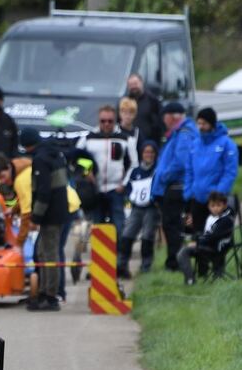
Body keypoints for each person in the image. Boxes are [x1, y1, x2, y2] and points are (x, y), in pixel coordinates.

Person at [23, 126, 69, 311]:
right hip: (59, 211)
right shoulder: (54, 154)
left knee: (49, 255)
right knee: (43, 253)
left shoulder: (40, 160)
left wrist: (36, 217)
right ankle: (43, 292)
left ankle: (50, 297)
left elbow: (43, 192)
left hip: (50, 215)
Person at [150, 101, 197, 270]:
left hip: (175, 187)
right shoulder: (179, 133)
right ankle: (174, 260)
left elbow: (181, 162)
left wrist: (163, 176)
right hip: (174, 186)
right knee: (172, 225)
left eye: (164, 117)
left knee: (173, 226)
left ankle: (175, 261)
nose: (163, 121)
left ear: (171, 117)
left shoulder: (184, 134)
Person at [75, 104, 132, 239]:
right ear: (98, 121)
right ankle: (99, 256)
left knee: (119, 224)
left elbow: (132, 164)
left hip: (116, 188)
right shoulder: (87, 139)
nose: (106, 124)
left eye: (110, 121)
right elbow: (76, 159)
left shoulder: (124, 139)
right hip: (96, 189)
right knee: (97, 224)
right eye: (103, 121)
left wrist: (123, 183)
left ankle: (118, 255)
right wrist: (86, 173)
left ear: (115, 121)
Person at [185, 107, 238, 235]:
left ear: (212, 124)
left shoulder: (226, 144)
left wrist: (219, 193)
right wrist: (189, 193)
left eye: (204, 123)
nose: (201, 126)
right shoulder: (195, 144)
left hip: (216, 201)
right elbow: (189, 171)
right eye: (199, 123)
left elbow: (230, 171)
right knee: (198, 238)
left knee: (215, 238)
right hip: (197, 199)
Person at [117, 140, 160, 277]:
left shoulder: (158, 170)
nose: (149, 155)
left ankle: (145, 266)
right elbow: (128, 188)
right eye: (146, 152)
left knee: (147, 236)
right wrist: (131, 196)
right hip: (136, 208)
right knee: (127, 234)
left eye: (152, 152)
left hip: (151, 208)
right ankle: (122, 264)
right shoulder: (135, 171)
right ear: (142, 154)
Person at [178, 191, 235, 286]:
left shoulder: (226, 219)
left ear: (224, 205)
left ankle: (190, 280)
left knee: (183, 252)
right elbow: (207, 234)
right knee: (184, 248)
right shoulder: (210, 218)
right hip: (208, 245)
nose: (215, 208)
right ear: (208, 206)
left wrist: (198, 242)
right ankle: (193, 277)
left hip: (216, 248)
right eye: (212, 206)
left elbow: (213, 237)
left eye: (218, 205)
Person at [127, 73, 163, 145]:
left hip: (148, 144)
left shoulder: (153, 101)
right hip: (130, 142)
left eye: (135, 83)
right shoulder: (124, 102)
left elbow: (160, 122)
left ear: (141, 83)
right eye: (131, 85)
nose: (133, 87)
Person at [118, 96, 140, 161]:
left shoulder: (138, 133)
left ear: (135, 114)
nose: (127, 116)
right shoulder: (114, 131)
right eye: (124, 112)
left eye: (131, 113)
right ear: (120, 113)